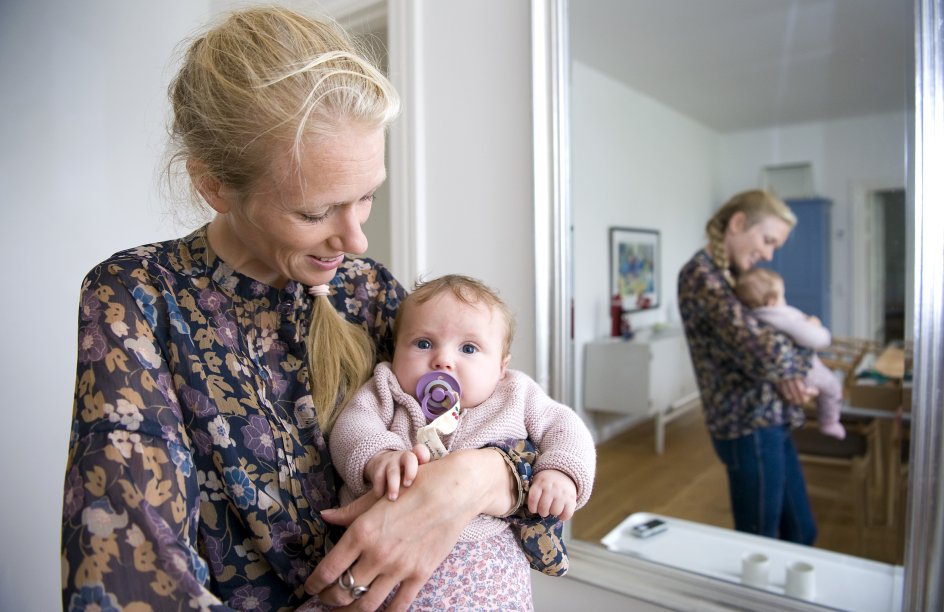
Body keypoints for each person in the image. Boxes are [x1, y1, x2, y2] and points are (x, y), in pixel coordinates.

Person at [60, 7, 544, 611]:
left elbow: (523, 430)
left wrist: (469, 484)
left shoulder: (371, 293)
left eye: (367, 195)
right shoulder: (138, 297)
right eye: (315, 213)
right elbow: (130, 577)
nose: (358, 241)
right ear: (215, 186)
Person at [327, 274, 596, 608]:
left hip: (484, 566)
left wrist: (561, 473)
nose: (443, 360)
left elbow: (568, 428)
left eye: (468, 348)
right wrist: (378, 456)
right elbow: (352, 426)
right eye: (423, 343)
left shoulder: (515, 393)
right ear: (395, 351)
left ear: (501, 366)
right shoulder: (387, 389)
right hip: (382, 559)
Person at [677, 189, 819, 545]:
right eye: (767, 240)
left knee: (802, 532)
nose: (768, 255)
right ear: (739, 223)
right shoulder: (701, 275)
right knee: (759, 542)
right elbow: (764, 350)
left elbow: (770, 337)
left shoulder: (730, 276)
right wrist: (799, 356)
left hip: (772, 418)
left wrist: (788, 369)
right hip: (747, 428)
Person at [735, 268, 846, 440]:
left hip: (777, 381)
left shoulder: (749, 319)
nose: (784, 301)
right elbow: (815, 339)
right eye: (782, 296)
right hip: (806, 371)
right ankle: (829, 421)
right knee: (833, 386)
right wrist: (818, 329)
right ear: (771, 301)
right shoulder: (779, 316)